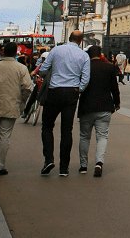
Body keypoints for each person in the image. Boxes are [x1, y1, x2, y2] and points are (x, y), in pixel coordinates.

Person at [39, 28, 90, 176]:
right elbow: (86, 78)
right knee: (66, 130)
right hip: (71, 93)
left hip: (55, 91)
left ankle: (48, 159)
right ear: (80, 41)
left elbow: (43, 69)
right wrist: (78, 89)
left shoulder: (56, 50)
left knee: (47, 126)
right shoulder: (83, 56)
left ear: (69, 37)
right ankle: (64, 168)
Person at [0, 41, 34, 176]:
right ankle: (0, 166)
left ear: (3, 52)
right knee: (5, 135)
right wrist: (22, 99)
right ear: (15, 53)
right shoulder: (22, 68)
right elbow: (28, 88)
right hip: (12, 104)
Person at [77, 44, 120, 177]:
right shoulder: (109, 67)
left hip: (86, 107)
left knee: (84, 136)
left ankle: (83, 166)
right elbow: (114, 88)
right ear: (101, 54)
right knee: (102, 137)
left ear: (88, 55)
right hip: (104, 106)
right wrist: (116, 103)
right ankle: (99, 163)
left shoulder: (84, 68)